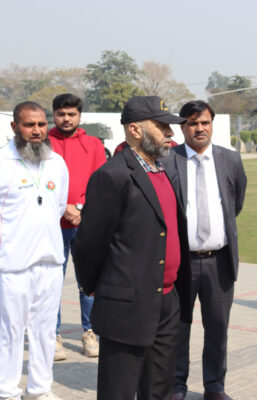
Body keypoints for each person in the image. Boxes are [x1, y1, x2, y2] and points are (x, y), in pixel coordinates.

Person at [72, 96, 193, 399]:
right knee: (120, 390)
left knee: (159, 391)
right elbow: (89, 243)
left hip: (166, 300)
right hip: (127, 304)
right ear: (136, 130)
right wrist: (96, 286)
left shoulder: (161, 170)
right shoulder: (112, 176)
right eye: (162, 127)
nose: (171, 134)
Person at [163, 100, 247, 400]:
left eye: (205, 122)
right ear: (182, 127)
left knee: (217, 329)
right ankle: (175, 387)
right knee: (177, 328)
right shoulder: (167, 160)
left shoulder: (230, 160)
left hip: (219, 262)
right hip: (180, 262)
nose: (199, 128)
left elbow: (235, 204)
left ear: (212, 124)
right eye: (192, 123)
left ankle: (214, 387)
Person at [0, 101, 69, 400]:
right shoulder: (3, 162)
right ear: (15, 127)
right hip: (12, 264)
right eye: (29, 125)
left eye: (41, 124)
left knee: (44, 331)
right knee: (10, 331)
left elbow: (59, 206)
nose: (37, 131)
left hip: (51, 262)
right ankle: (7, 390)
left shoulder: (56, 162)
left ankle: (40, 389)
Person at [48, 93, 106, 361]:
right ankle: (53, 335)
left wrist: (79, 209)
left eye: (71, 114)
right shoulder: (43, 144)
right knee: (51, 283)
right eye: (61, 114)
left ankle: (90, 331)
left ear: (80, 116)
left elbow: (101, 183)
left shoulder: (93, 144)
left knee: (88, 282)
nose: (66, 118)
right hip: (51, 225)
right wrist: (63, 208)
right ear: (54, 115)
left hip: (85, 223)